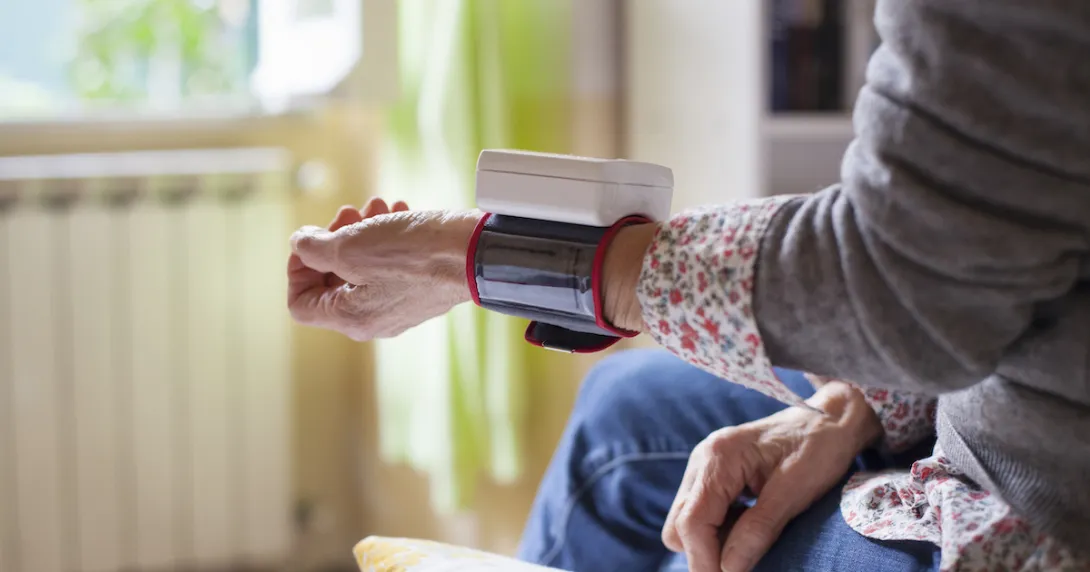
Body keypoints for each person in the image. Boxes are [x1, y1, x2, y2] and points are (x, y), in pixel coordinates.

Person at [287, 1, 1090, 570]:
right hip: (994, 392)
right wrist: (856, 405)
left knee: (695, 549)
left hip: (1046, 511)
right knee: (624, 412)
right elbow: (988, 242)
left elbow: (899, 281)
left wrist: (462, 259)